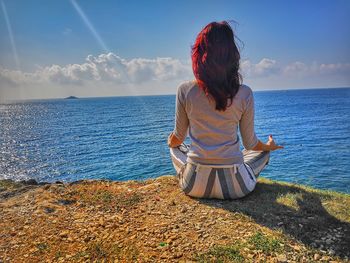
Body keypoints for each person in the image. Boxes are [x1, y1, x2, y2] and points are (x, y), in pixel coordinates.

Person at [167, 21, 283, 199]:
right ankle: (250, 164)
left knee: (176, 148)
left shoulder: (184, 90)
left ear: (198, 55)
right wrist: (269, 146)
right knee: (262, 152)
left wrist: (170, 141)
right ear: (232, 56)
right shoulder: (245, 93)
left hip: (194, 185)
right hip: (236, 187)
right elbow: (251, 144)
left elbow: (178, 139)